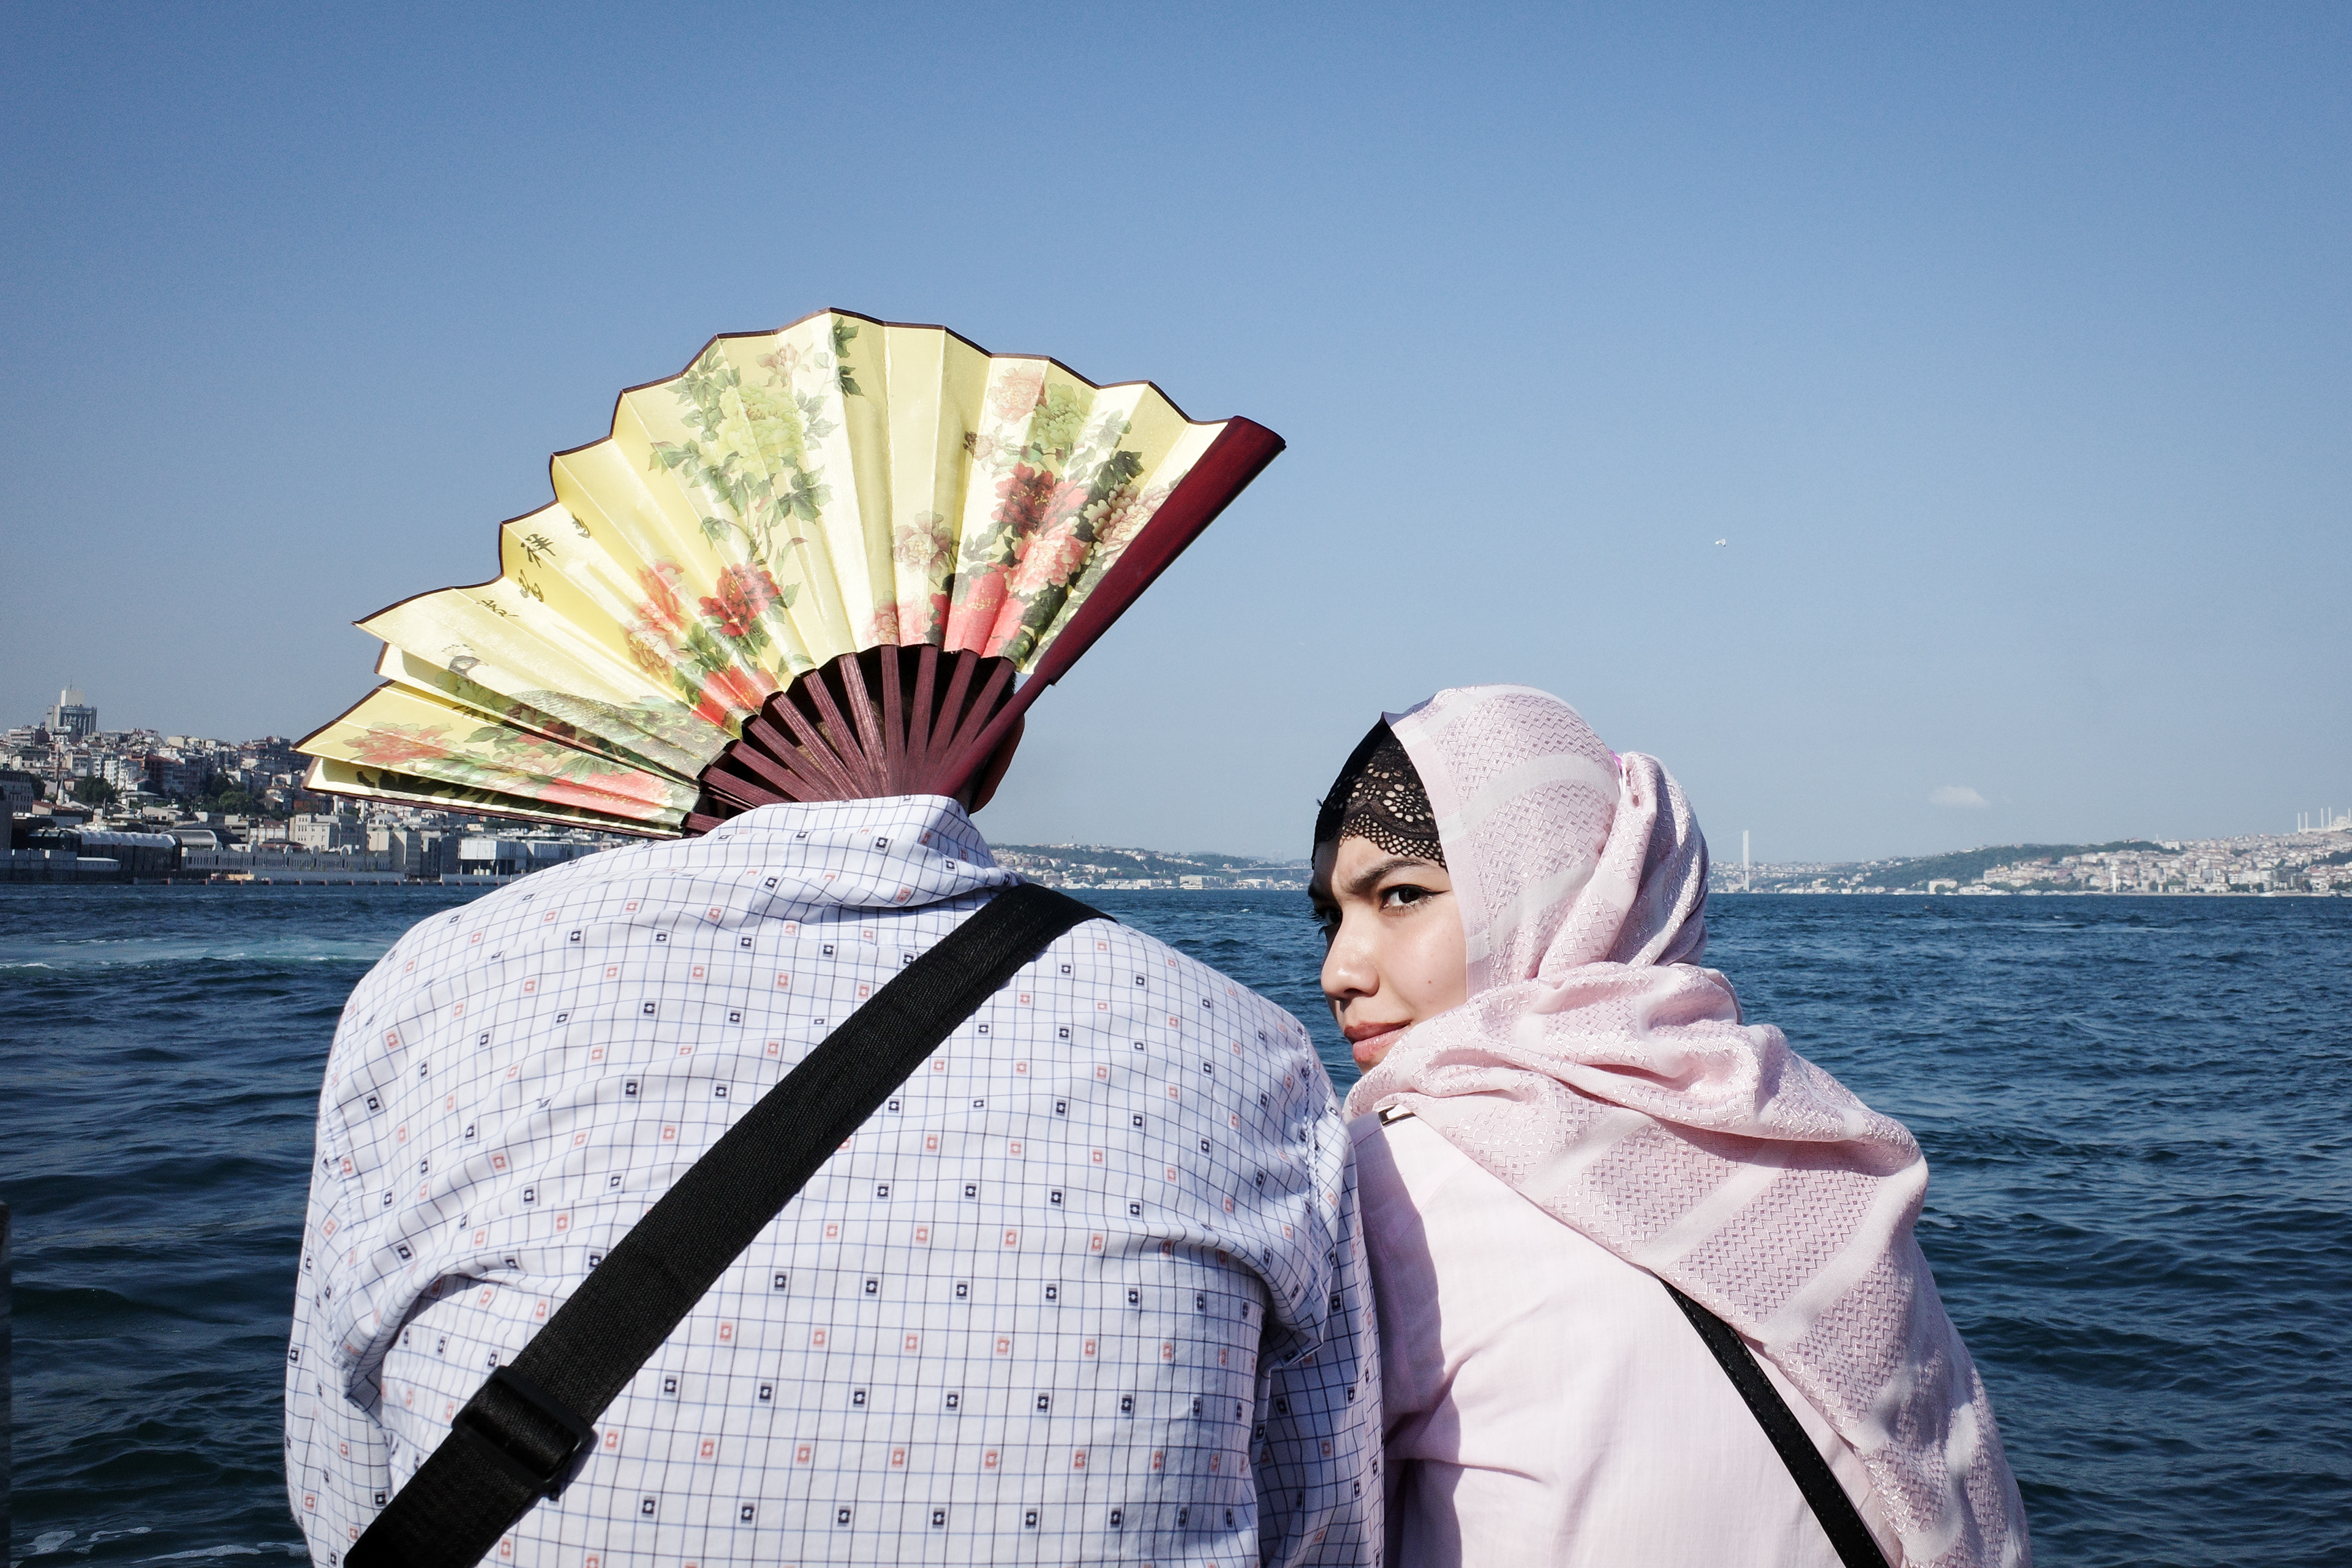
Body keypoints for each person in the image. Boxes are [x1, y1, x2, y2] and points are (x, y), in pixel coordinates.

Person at [285, 687, 1381, 1566]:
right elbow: (1325, 1522)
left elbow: (343, 1498)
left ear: (667, 724)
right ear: (994, 743)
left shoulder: (434, 984)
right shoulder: (1245, 1043)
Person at [1310, 685, 2029, 1568]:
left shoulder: (1385, 1189)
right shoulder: (1810, 1143)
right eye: (1330, 917)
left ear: (1551, 893)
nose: (1338, 970)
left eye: (1401, 895)